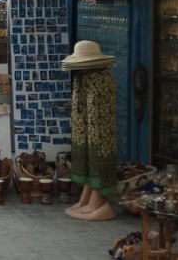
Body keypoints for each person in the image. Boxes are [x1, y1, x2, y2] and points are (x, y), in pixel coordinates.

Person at [61, 40, 118, 221]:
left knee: (98, 148)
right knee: (84, 146)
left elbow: (99, 114)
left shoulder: (100, 79)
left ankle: (98, 194)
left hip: (100, 126)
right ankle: (88, 190)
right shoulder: (83, 78)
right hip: (88, 123)